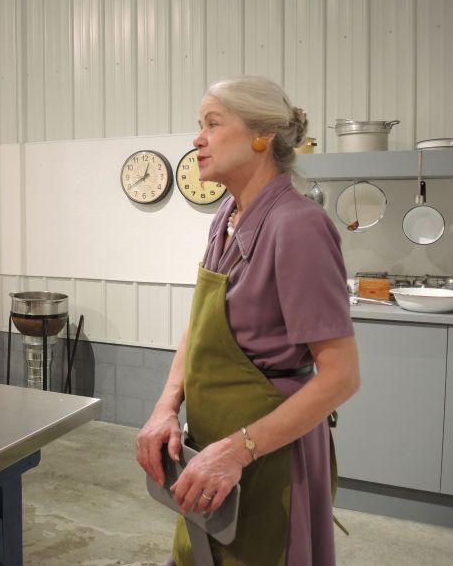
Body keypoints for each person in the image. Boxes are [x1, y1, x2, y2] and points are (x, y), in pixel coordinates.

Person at [136, 76, 360, 566]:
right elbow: (201, 326)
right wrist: (165, 407)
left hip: (268, 456)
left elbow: (341, 377)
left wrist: (237, 451)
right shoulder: (225, 217)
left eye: (213, 124)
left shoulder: (298, 226)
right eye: (200, 125)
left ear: (262, 135)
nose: (198, 139)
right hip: (212, 448)